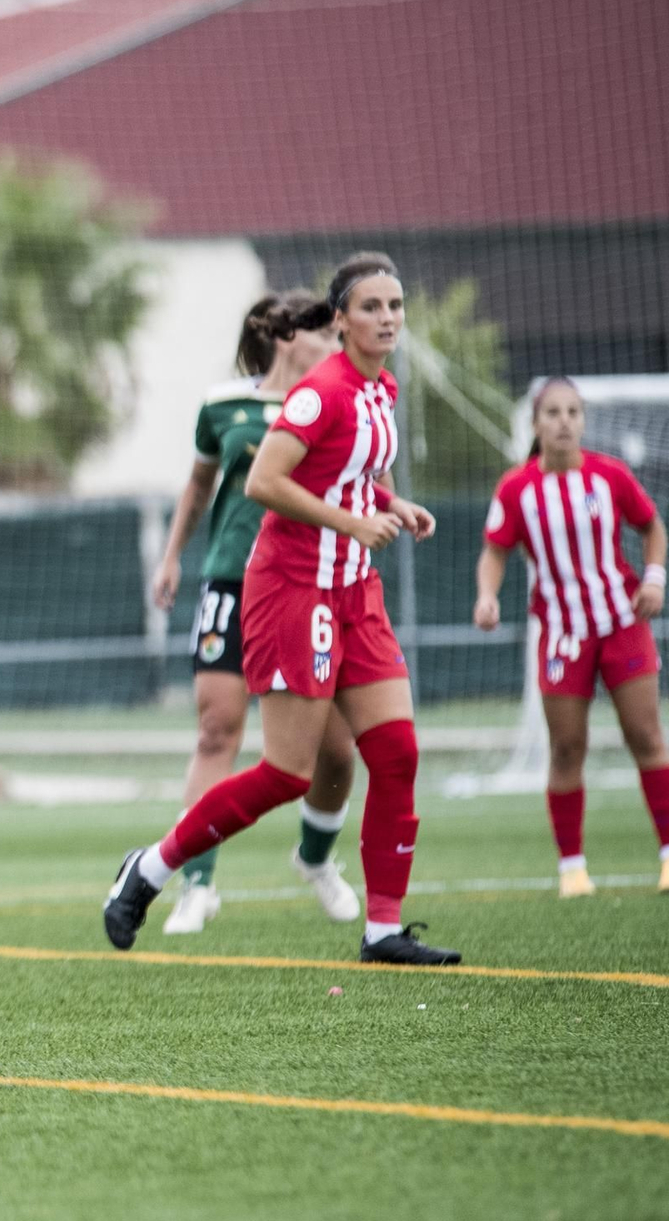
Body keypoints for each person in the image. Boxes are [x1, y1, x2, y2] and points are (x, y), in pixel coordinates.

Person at [104, 253, 462, 965]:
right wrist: (351, 522)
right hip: (293, 587)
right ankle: (149, 870)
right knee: (286, 772)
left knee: (396, 753)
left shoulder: (380, 389)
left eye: (395, 305)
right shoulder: (319, 392)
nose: (388, 318)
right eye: (371, 306)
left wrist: (393, 506)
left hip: (356, 589)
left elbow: (357, 476)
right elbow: (265, 480)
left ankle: (382, 930)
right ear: (339, 320)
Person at [151, 292, 362, 935]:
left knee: (337, 750)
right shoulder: (223, 405)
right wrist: (170, 558)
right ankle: (197, 882)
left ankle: (316, 859)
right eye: (326, 331)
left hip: (308, 587)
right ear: (289, 335)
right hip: (230, 583)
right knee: (217, 731)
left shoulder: (341, 402)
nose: (338, 340)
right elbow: (197, 484)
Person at [474, 377, 669, 896]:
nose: (564, 421)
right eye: (553, 412)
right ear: (535, 423)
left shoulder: (610, 476)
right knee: (566, 747)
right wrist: (487, 596)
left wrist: (654, 578)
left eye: (573, 412)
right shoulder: (516, 488)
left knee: (646, 737)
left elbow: (651, 527)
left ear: (583, 421)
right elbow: (495, 550)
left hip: (622, 624)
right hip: (561, 633)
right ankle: (573, 868)